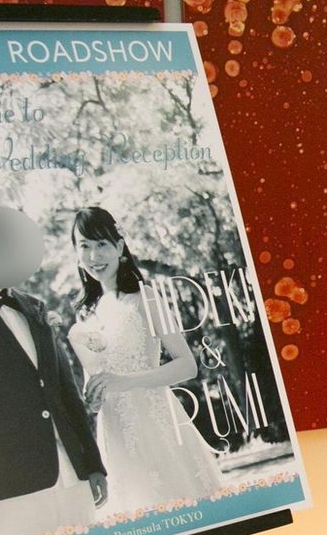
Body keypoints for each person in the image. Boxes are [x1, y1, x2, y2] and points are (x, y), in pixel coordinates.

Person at [66, 207, 221, 512]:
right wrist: (92, 399)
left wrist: (124, 382)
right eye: (84, 246)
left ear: (120, 247)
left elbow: (187, 365)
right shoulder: (85, 315)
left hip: (157, 425)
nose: (94, 256)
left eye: (102, 244)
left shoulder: (145, 297)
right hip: (115, 434)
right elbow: (94, 381)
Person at [0, 202, 107, 535]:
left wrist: (92, 464)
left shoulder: (35, 307)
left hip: (72, 476)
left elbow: (66, 391)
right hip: (9, 489)